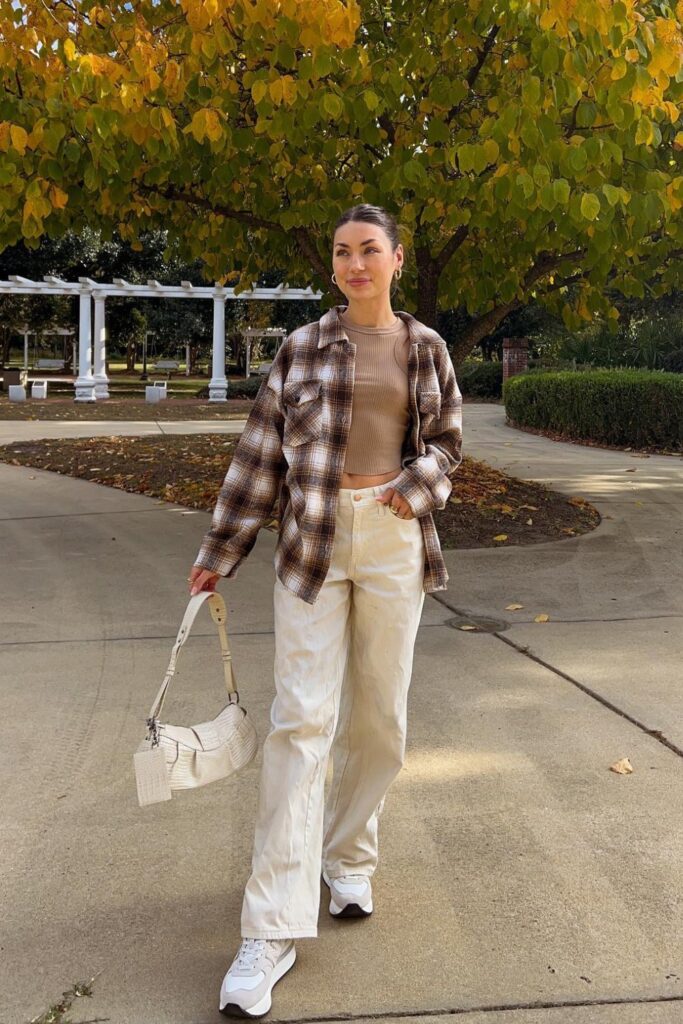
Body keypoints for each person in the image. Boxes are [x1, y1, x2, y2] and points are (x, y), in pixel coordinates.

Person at [188, 203, 463, 1018]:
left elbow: (446, 441)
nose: (355, 264)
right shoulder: (300, 348)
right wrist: (220, 550)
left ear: (396, 259)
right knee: (299, 722)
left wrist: (409, 496)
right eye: (342, 252)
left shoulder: (424, 348)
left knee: (381, 720)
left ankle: (347, 857)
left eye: (369, 250)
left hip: (392, 539)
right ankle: (269, 927)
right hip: (309, 543)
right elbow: (259, 452)